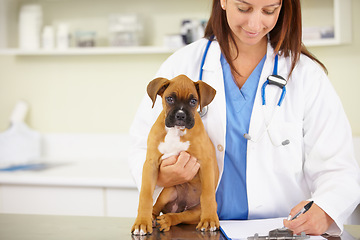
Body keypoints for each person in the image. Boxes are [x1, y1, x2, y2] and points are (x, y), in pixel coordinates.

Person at [128, 0, 360, 236]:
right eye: (244, 8)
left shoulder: (305, 75)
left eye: (269, 11)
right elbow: (141, 147)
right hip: (194, 229)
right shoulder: (183, 63)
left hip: (280, 230)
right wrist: (162, 176)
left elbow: (338, 167)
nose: (255, 23)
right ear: (225, 2)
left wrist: (326, 209)